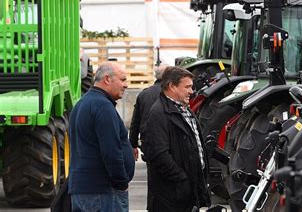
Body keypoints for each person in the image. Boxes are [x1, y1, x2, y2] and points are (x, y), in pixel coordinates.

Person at [68, 61, 135, 211]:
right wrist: (121, 183)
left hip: (85, 190)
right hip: (102, 191)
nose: (126, 85)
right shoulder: (102, 106)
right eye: (122, 79)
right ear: (107, 79)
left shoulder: (83, 103)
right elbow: (111, 151)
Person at [142, 66, 211, 211]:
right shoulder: (159, 114)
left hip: (186, 194)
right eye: (187, 87)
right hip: (172, 197)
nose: (191, 92)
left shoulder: (185, 111)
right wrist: (182, 179)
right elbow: (159, 154)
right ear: (172, 86)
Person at [129, 63, 169, 161]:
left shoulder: (143, 94)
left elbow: (135, 122)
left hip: (148, 143)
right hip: (168, 142)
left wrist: (133, 145)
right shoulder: (171, 93)